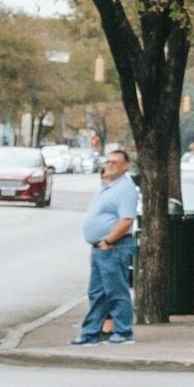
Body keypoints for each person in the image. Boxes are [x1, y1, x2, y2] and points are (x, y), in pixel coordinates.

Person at [78, 147, 141, 345]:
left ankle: (123, 332)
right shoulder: (108, 186)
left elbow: (126, 220)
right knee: (97, 293)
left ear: (125, 166)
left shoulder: (125, 189)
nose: (109, 165)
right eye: (107, 162)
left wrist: (108, 240)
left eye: (114, 162)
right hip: (100, 248)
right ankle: (91, 333)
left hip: (113, 247)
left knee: (116, 291)